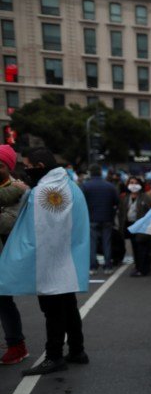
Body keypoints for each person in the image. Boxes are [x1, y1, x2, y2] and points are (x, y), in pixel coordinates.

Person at [0, 147, 90, 376]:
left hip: (51, 261)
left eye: (27, 165)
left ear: (39, 167)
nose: (25, 170)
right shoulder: (67, 184)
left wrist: (21, 259)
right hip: (65, 257)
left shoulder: (46, 191)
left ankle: (54, 356)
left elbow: (38, 232)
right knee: (68, 307)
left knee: (54, 310)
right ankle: (77, 350)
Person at [0, 144, 28, 364]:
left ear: (8, 168)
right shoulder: (13, 190)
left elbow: (7, 224)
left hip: (5, 258)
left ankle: (16, 346)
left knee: (4, 302)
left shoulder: (19, 190)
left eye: (0, 165)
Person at [81, 165, 120, 274]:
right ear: (100, 172)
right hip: (107, 218)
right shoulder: (110, 186)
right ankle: (108, 266)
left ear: (91, 173)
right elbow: (116, 202)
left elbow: (81, 202)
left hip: (91, 218)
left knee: (92, 243)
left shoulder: (85, 186)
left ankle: (93, 267)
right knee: (106, 242)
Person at [118, 176, 151, 277]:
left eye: (135, 183)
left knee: (142, 247)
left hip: (142, 226)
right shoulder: (126, 198)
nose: (133, 185)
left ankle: (143, 268)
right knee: (135, 247)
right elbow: (121, 212)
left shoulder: (145, 197)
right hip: (130, 225)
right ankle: (138, 266)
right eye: (131, 182)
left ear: (140, 185)